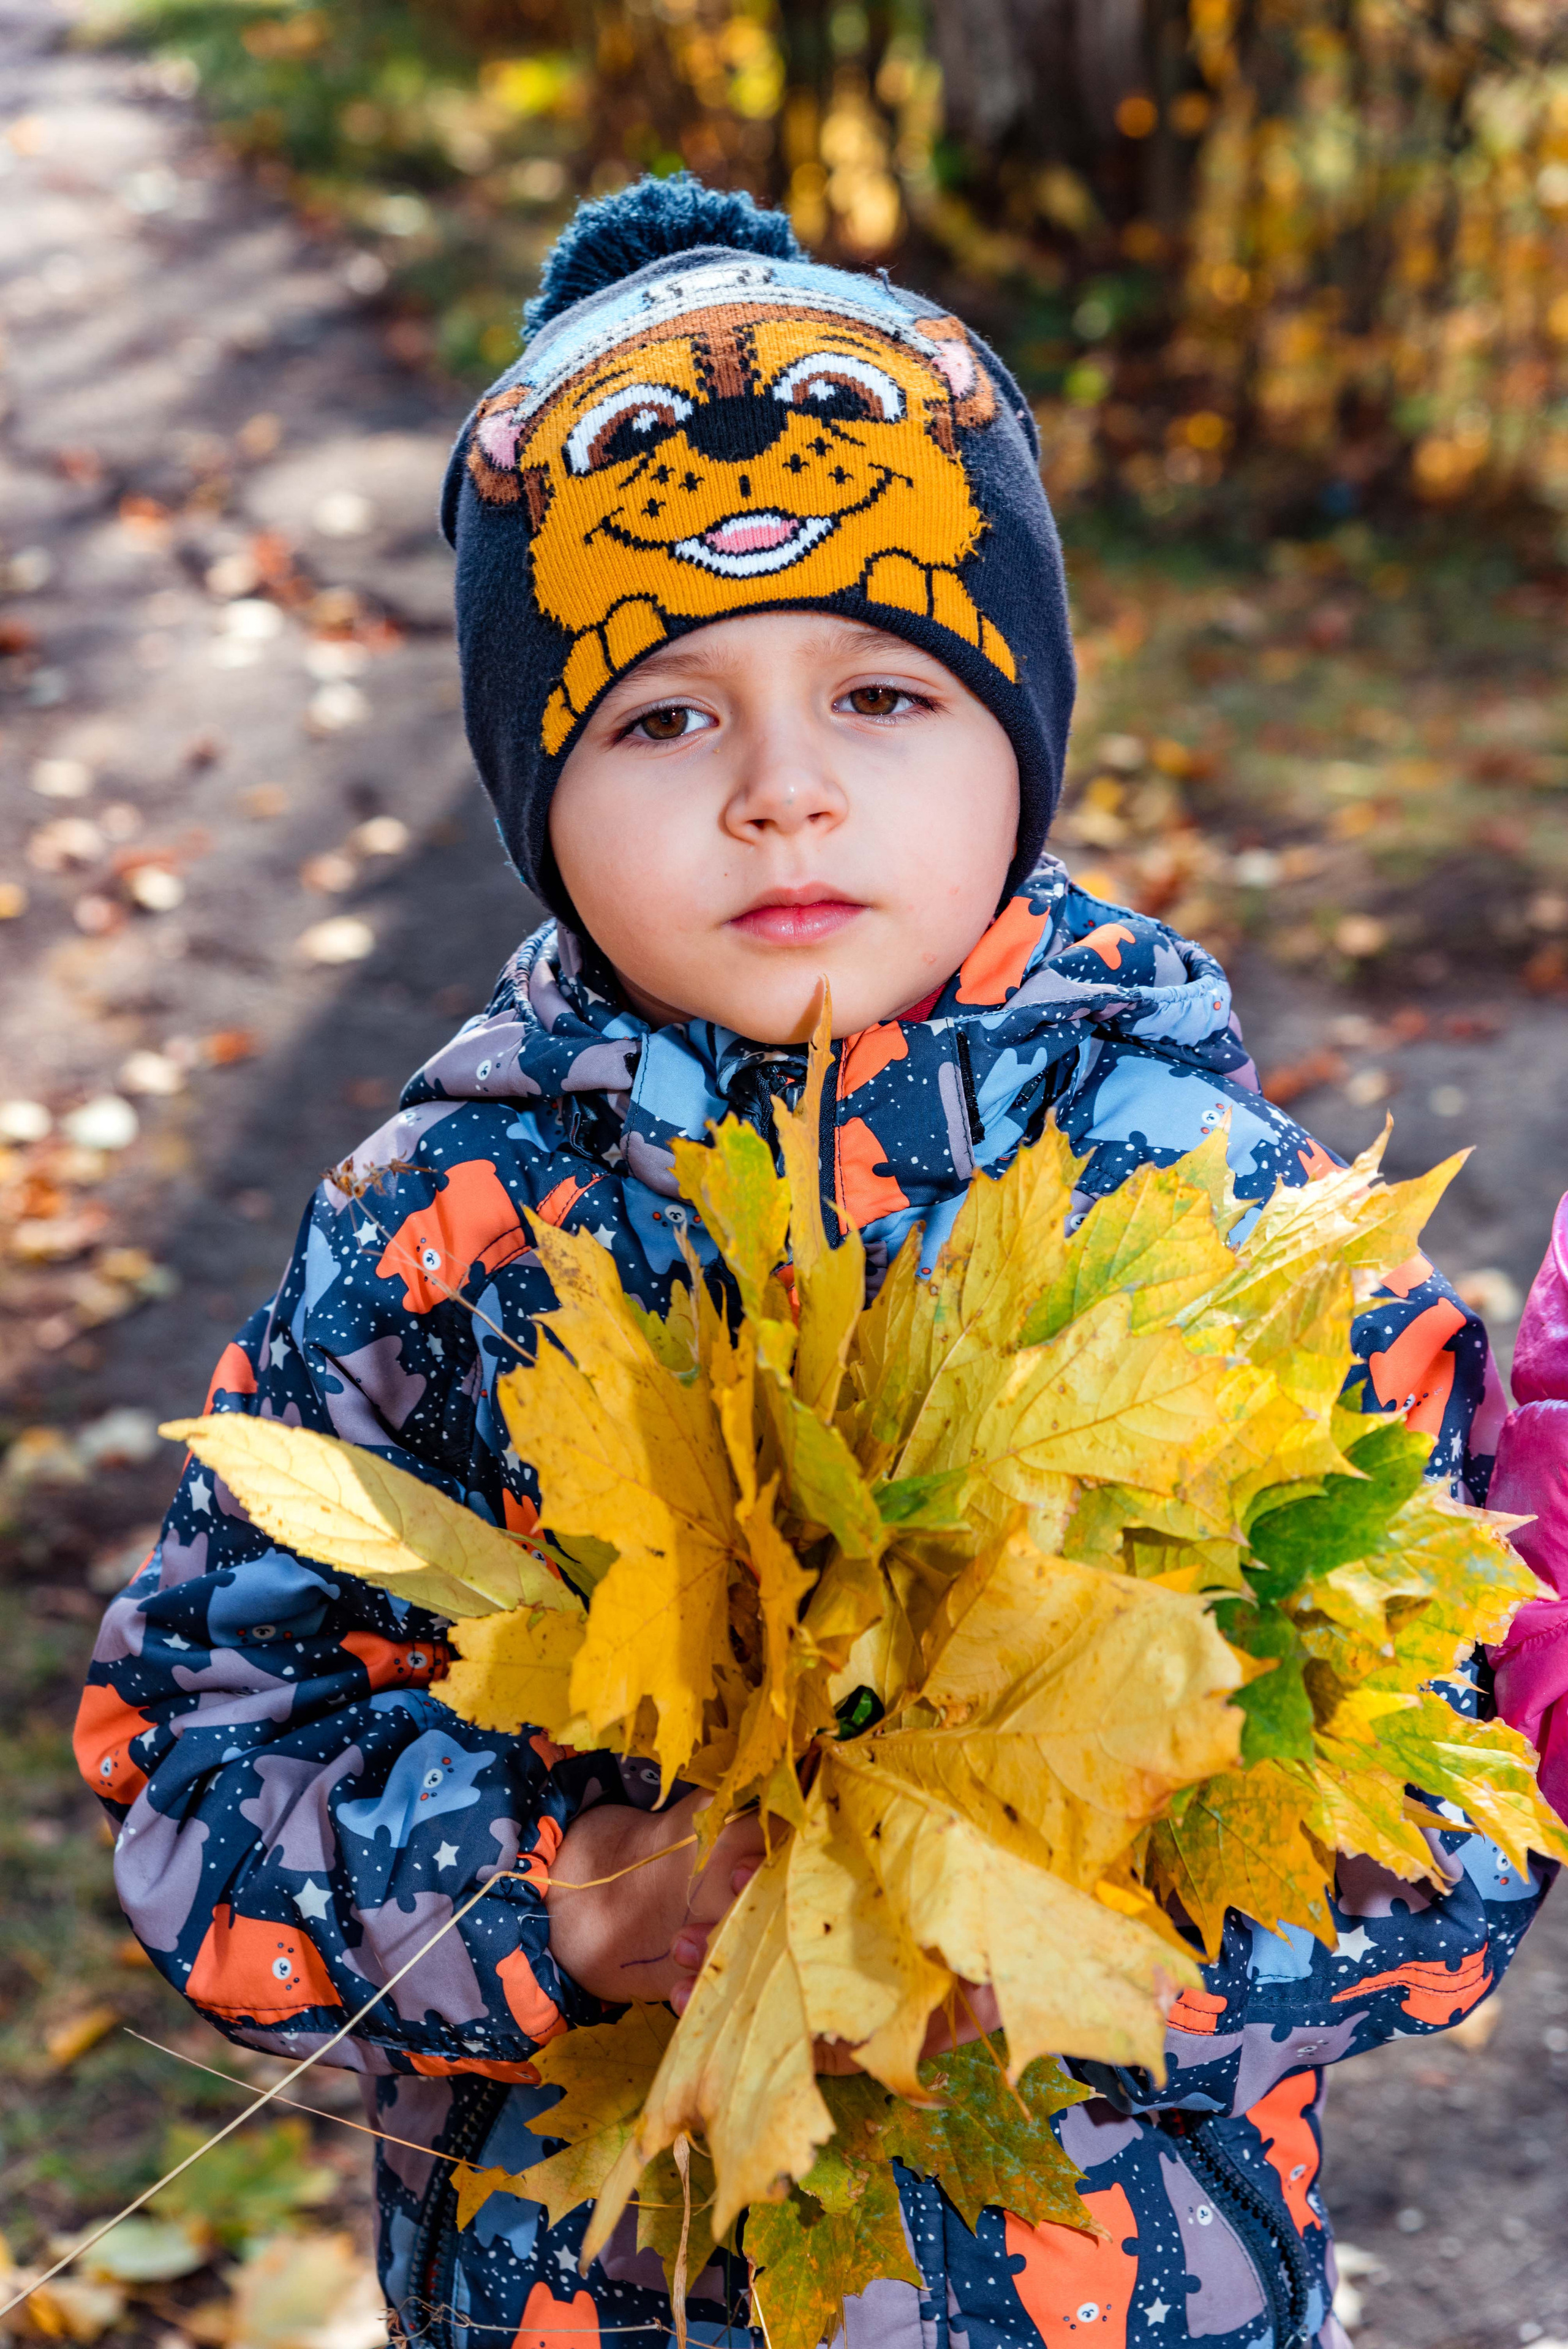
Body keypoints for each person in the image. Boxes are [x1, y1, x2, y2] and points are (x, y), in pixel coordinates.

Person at [76, 177, 1548, 2349]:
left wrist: (1091, 1934)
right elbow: (190, 1755)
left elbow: (1460, 1803)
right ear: (539, 791)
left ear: (1019, 746)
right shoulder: (455, 1224)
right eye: (664, 717)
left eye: (882, 696)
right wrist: (562, 1905)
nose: (784, 794)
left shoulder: (1216, 1203)